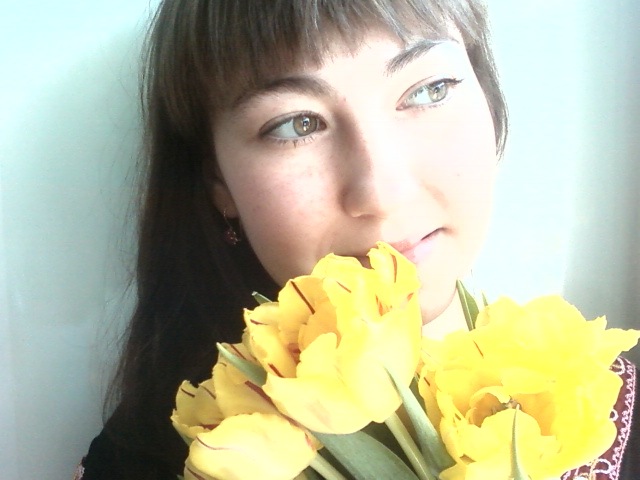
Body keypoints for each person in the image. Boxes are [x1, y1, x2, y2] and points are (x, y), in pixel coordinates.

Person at [76, 1, 638, 479]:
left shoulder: (601, 400)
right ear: (219, 183)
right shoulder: (162, 455)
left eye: (430, 89)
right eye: (297, 124)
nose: (382, 192)